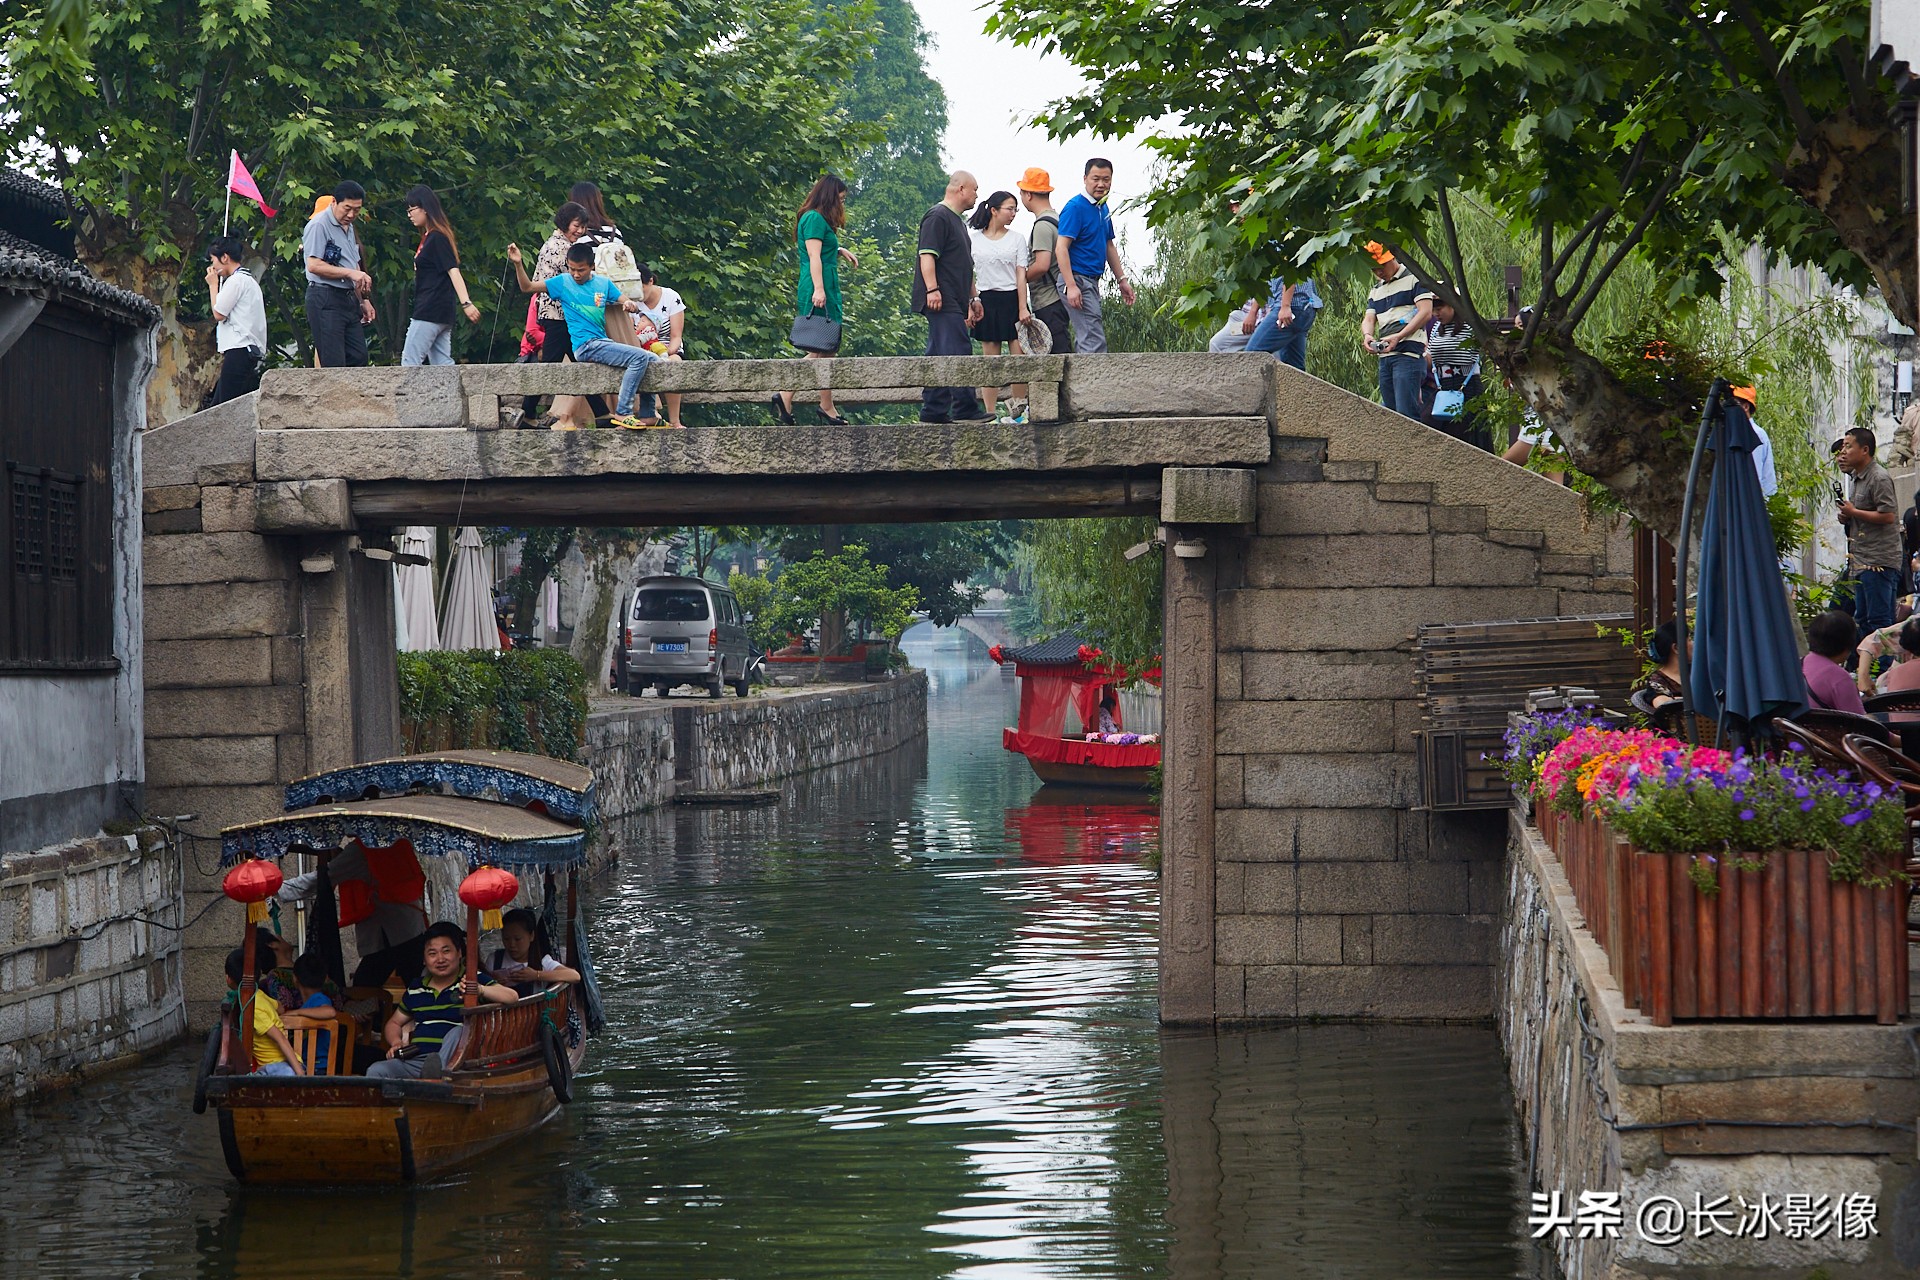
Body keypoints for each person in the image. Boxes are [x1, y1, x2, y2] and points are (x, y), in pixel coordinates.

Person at [507, 240, 659, 429]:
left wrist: (629, 303)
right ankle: (623, 412)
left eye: (581, 270)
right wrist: (518, 263)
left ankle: (647, 413)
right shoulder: (563, 282)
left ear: (592, 267)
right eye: (572, 269)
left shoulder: (603, 283)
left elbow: (623, 299)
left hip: (601, 342)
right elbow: (528, 287)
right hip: (585, 346)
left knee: (653, 358)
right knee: (639, 357)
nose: (576, 275)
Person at [366, 923, 518, 1080]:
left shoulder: (471, 979)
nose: (440, 959)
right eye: (432, 953)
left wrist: (480, 989)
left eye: (446, 951)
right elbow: (394, 1023)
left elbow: (512, 997)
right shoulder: (416, 988)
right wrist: (396, 1042)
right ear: (424, 960)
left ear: (459, 953)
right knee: (377, 1070)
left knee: (458, 1032)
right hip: (418, 1060)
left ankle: (440, 1073)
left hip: (459, 1063)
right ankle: (424, 1082)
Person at [276, 843, 429, 989]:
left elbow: (323, 878)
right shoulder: (394, 843)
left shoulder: (360, 850)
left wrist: (274, 888)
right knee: (413, 983)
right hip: (409, 926)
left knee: (365, 988)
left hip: (389, 932)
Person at [774, 174, 858, 426]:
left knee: (827, 346)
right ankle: (793, 396)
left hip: (826, 283)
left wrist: (838, 249)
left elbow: (822, 249)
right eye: (840, 199)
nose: (841, 205)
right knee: (823, 346)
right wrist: (819, 290)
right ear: (830, 197)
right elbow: (813, 256)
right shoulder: (812, 218)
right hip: (819, 285)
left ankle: (820, 404)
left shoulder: (819, 220)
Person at [913, 172, 992, 426]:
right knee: (958, 348)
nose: (977, 195)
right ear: (961, 189)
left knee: (938, 352)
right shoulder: (938, 216)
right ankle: (964, 408)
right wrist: (932, 289)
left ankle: (933, 410)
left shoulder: (958, 223)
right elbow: (927, 256)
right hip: (941, 296)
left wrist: (973, 297)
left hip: (956, 298)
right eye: (975, 189)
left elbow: (964, 265)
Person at [521, 200, 595, 428]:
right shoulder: (560, 248)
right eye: (576, 225)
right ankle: (527, 413)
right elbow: (570, 281)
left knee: (579, 361)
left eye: (583, 226)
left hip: (558, 314)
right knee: (557, 365)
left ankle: (601, 414)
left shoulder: (555, 243)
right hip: (557, 315)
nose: (580, 231)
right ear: (565, 222)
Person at [1054, 158, 1137, 354]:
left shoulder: (1102, 207)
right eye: (1096, 179)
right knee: (1093, 339)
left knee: (1088, 335)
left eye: (1106, 179)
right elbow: (1061, 248)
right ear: (1085, 179)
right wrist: (1071, 286)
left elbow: (1108, 245)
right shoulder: (1075, 207)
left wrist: (1122, 280)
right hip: (1077, 279)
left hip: (1091, 280)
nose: (1101, 184)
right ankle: (1094, 384)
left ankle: (1086, 382)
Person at [399, 185, 482, 366]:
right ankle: (451, 395)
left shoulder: (437, 238)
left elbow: (453, 270)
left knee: (410, 361)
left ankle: (408, 395)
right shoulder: (432, 236)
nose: (409, 215)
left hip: (429, 309)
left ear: (426, 208)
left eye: (412, 209)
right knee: (442, 364)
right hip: (441, 310)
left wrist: (466, 303)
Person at [967, 190, 1029, 420]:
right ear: (994, 210)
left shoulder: (1017, 239)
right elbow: (968, 275)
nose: (1013, 213)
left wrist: (1023, 307)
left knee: (1018, 360)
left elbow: (1021, 274)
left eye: (1015, 209)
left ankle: (1018, 412)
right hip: (986, 300)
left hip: (1012, 298)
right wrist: (971, 303)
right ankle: (990, 413)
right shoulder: (974, 239)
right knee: (990, 362)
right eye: (1009, 209)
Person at [1837, 426, 1901, 647]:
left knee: (1880, 621)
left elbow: (1888, 515)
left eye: (1848, 446)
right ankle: (1867, 668)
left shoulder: (1879, 478)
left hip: (1878, 561)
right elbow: (1864, 514)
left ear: (1865, 450)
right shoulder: (1857, 478)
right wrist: (1848, 517)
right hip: (1860, 559)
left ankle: (1882, 673)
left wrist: (1854, 512)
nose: (1843, 452)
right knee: (1863, 619)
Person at [302, 180, 374, 367]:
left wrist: (363, 300)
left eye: (356, 210)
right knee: (334, 362)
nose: (351, 214)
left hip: (348, 298)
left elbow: (353, 264)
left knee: (358, 357)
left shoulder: (348, 227)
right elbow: (314, 265)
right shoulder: (319, 225)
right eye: (347, 208)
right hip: (325, 296)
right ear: (334, 202)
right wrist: (350, 273)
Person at [1360, 241, 1434, 420]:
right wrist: (1368, 335)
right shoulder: (1376, 289)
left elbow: (1425, 312)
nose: (1379, 272)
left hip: (1408, 354)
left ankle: (1412, 448)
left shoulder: (1414, 278)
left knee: (1406, 416)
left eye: (1381, 266)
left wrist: (1400, 336)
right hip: (1385, 355)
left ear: (1391, 257)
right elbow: (1369, 318)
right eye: (1374, 269)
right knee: (1390, 417)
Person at [569, 181, 641, 348]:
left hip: (590, 304)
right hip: (616, 300)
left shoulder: (578, 235)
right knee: (624, 351)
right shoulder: (615, 232)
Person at [205, 236, 266, 406]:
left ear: (224, 258)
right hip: (247, 350)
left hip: (239, 349)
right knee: (219, 403)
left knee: (224, 405)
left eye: (213, 260)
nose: (213, 266)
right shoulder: (249, 280)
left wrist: (213, 285)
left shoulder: (236, 281)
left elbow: (218, 313)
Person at [225, 947, 302, 1077]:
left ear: (228, 979)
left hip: (277, 1068)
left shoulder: (252, 1008)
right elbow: (281, 1008)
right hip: (286, 1064)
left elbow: (280, 1039)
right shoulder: (258, 995)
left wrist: (300, 1075)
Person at [1423, 298, 1488, 449]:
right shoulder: (1436, 329)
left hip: (1467, 385)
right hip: (1443, 387)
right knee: (1427, 422)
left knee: (1464, 434)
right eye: (1434, 310)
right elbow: (1430, 357)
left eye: (1439, 309)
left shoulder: (1471, 325)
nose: (1436, 314)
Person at [630, 263, 688, 428]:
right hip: (642, 348)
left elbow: (676, 336)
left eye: (641, 289)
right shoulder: (631, 301)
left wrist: (666, 353)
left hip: (668, 348)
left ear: (650, 281)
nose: (639, 295)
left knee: (673, 367)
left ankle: (675, 420)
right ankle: (639, 414)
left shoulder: (670, 297)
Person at [487, 907, 582, 994]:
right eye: (506, 939)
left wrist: (535, 975)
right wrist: (492, 982)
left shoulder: (542, 961)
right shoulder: (494, 960)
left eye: (517, 939)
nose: (512, 945)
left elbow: (574, 976)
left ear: (531, 936)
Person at [280, 951, 342, 1073]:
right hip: (310, 1065)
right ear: (325, 979)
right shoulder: (310, 1005)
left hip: (317, 1066)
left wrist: (297, 1013)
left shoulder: (319, 999)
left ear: (294, 978)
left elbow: (330, 1012)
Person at [1246, 277, 1322, 370]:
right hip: (1304, 307)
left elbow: (1291, 269)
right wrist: (1253, 312)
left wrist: (1285, 306)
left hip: (1293, 305)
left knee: (1252, 354)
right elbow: (1264, 280)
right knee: (1293, 367)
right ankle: (1296, 384)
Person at [1803, 610, 1867, 714]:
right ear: (1849, 642)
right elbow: (1861, 723)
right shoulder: (1840, 678)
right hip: (1823, 729)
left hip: (1793, 728)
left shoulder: (1798, 664)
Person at [1728, 386, 1778, 498]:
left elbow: (1755, 475)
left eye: (1733, 405)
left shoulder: (1754, 434)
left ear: (1745, 406)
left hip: (1751, 502)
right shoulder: (1733, 433)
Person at [1636, 619, 1685, 707]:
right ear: (1676, 648)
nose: (1694, 643)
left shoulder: (1697, 672)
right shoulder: (1657, 681)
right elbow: (1661, 704)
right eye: (1689, 639)